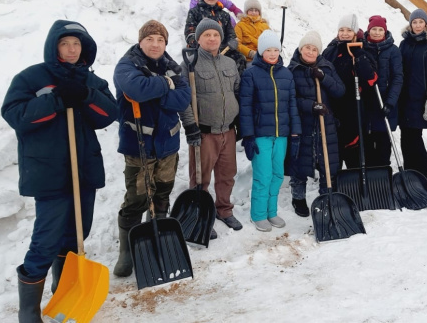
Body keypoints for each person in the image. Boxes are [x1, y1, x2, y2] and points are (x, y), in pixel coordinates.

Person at [1, 20, 117, 322]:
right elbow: (16, 116)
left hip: (84, 170)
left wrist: (85, 95)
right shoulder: (31, 78)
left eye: (77, 44)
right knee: (46, 240)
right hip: (48, 172)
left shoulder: (89, 80)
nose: (71, 49)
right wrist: (56, 100)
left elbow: (108, 114)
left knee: (77, 234)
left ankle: (63, 290)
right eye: (65, 43)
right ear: (54, 46)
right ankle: (28, 310)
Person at [112, 20, 191, 277]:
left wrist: (154, 88)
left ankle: (156, 241)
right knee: (136, 199)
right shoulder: (127, 65)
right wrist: (164, 84)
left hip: (168, 146)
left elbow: (183, 98)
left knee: (162, 195)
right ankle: (127, 251)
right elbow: (135, 88)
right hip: (139, 147)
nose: (155, 44)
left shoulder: (172, 66)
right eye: (150, 39)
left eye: (160, 40)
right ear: (141, 41)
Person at [180, 18, 244, 232]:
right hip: (204, 132)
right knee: (201, 177)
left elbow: (237, 91)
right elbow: (183, 100)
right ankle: (201, 213)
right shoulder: (190, 64)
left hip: (228, 129)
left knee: (227, 174)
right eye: (207, 35)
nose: (212, 38)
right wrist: (191, 127)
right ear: (198, 39)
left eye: (216, 34)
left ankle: (224, 209)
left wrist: (239, 121)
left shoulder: (229, 63)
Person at [239, 30, 301, 231]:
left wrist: (295, 132)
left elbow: (292, 105)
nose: (273, 53)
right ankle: (258, 214)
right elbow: (245, 107)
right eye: (268, 50)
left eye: (276, 49)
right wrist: (248, 135)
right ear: (260, 51)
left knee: (277, 175)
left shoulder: (286, 74)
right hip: (261, 136)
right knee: (263, 176)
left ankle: (271, 212)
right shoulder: (250, 74)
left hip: (281, 135)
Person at [286, 31, 346, 217]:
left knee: (327, 162)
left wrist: (323, 77)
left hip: (325, 124)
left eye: (314, 49)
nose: (310, 52)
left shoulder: (326, 67)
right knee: (300, 164)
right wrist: (310, 106)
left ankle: (326, 196)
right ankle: (298, 198)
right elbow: (289, 99)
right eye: (307, 48)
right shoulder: (292, 70)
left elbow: (340, 91)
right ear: (300, 48)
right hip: (303, 124)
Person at [322, 14, 379, 169]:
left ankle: (356, 179)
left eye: (348, 30)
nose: (344, 33)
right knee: (335, 147)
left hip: (355, 108)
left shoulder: (362, 50)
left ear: (355, 32)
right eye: (341, 30)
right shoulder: (330, 51)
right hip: (333, 108)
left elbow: (372, 79)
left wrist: (359, 57)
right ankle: (336, 182)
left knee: (353, 148)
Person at [397, 9, 427, 179]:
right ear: (410, 25)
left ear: (426, 24)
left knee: (415, 136)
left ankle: (423, 173)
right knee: (405, 135)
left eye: (420, 22)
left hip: (420, 98)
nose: (417, 25)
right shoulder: (405, 44)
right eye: (414, 22)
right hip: (403, 97)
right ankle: (411, 171)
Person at [363, 15, 403, 167]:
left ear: (385, 32)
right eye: (374, 29)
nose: (377, 32)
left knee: (383, 143)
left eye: (380, 30)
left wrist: (390, 103)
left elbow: (398, 78)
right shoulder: (362, 48)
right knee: (367, 142)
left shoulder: (393, 51)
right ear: (369, 30)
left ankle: (383, 173)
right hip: (367, 104)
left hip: (385, 103)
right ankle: (370, 176)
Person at [184, 0, 246, 75]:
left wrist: (232, 41)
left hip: (222, 49)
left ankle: (235, 87)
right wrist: (201, 45)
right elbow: (189, 33)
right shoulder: (194, 12)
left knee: (240, 59)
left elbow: (230, 33)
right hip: (200, 49)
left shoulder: (224, 15)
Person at [234, 0, 270, 64]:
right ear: (246, 11)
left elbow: (270, 42)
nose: (253, 12)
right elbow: (237, 44)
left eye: (256, 10)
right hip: (248, 59)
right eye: (251, 10)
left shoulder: (265, 26)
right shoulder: (240, 25)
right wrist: (250, 53)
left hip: (264, 57)